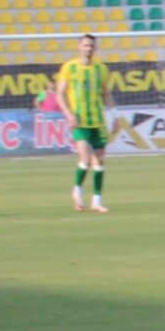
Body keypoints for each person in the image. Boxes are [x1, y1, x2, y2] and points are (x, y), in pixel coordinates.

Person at [55, 33, 114, 212]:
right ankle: (77, 191)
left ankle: (96, 201)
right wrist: (68, 114)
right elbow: (60, 94)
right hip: (79, 121)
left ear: (95, 48)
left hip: (97, 121)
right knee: (85, 159)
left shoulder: (101, 69)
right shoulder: (69, 68)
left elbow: (106, 93)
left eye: (91, 46)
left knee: (100, 160)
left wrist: (116, 115)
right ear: (79, 47)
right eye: (85, 45)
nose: (88, 49)